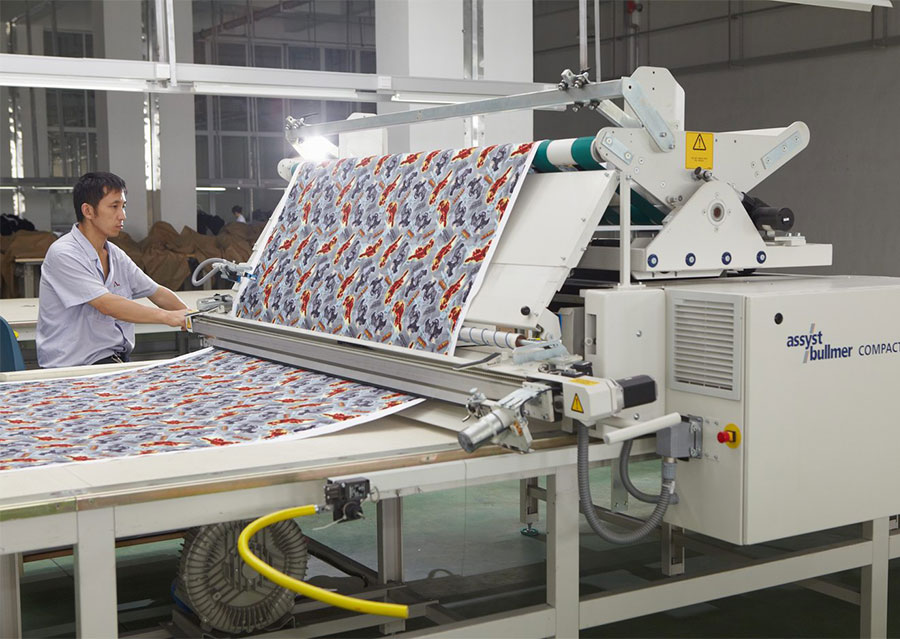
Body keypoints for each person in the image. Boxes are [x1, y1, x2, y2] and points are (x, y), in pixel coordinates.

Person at [36, 172, 189, 367]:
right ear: (88, 211)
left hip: (112, 362)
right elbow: (107, 304)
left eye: (123, 206)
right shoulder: (64, 253)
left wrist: (195, 318)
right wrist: (168, 317)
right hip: (74, 368)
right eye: (114, 206)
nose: (122, 215)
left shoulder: (115, 255)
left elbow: (157, 292)